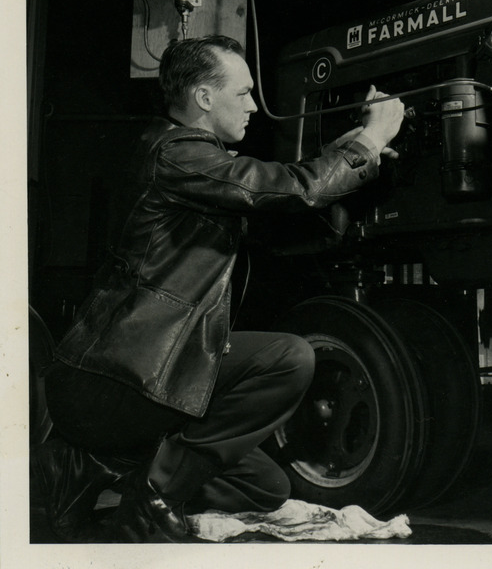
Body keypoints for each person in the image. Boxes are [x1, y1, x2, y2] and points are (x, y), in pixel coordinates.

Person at [32, 35, 404, 543]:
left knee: (264, 487)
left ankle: (94, 466)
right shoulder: (177, 152)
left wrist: (349, 156)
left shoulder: (196, 162)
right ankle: (152, 497)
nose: (254, 105)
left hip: (152, 373)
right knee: (289, 357)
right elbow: (289, 188)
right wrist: (369, 141)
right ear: (205, 99)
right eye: (244, 92)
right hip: (116, 379)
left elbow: (289, 196)